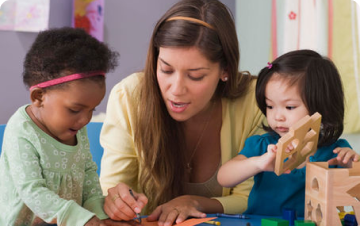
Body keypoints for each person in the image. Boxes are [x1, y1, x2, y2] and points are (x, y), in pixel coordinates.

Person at [99, 0, 265, 225]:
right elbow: (112, 188)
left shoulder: (256, 102)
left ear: (225, 70)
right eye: (166, 69)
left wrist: (195, 202)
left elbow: (252, 198)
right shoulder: (128, 97)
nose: (176, 90)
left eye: (195, 76)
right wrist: (117, 201)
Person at [217, 49, 360, 217]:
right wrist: (258, 164)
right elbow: (224, 177)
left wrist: (352, 166)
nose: (277, 116)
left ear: (322, 106)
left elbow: (352, 197)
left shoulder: (336, 151)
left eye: (289, 107)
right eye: (270, 106)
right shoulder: (263, 146)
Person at [0, 27, 119, 226]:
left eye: (92, 109)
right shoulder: (22, 131)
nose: (85, 120)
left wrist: (100, 216)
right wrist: (84, 220)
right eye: (75, 110)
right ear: (39, 97)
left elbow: (88, 174)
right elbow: (32, 192)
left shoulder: (75, 128)